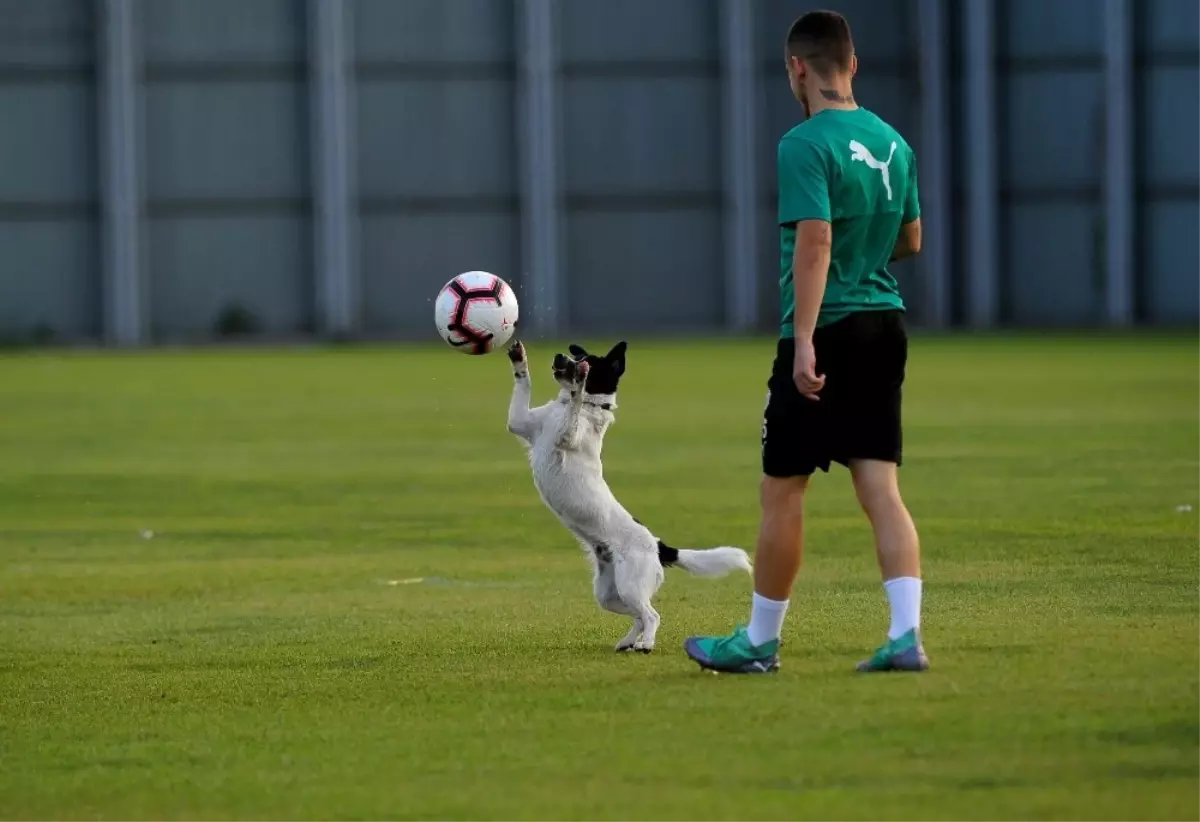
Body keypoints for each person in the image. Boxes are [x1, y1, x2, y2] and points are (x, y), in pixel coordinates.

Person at [684, 9, 927, 674]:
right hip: (885, 325)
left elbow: (815, 241)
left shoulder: (805, 143)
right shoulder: (894, 142)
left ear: (797, 67)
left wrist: (804, 340)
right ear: (852, 63)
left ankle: (761, 641)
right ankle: (906, 635)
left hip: (830, 328)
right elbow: (910, 240)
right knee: (881, 487)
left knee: (783, 489)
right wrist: (864, 251)